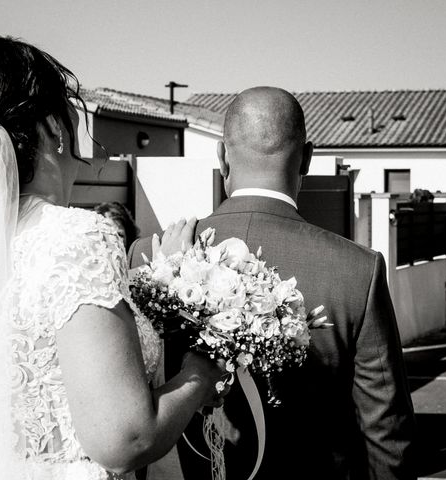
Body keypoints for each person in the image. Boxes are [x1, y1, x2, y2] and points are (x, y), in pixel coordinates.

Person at [0, 36, 229, 480]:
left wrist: (156, 282)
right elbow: (124, 439)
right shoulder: (76, 236)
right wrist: (198, 373)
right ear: (56, 129)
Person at [129, 86, 417, 479]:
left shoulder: (149, 257)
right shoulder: (357, 270)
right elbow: (385, 429)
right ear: (308, 159)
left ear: (222, 157)